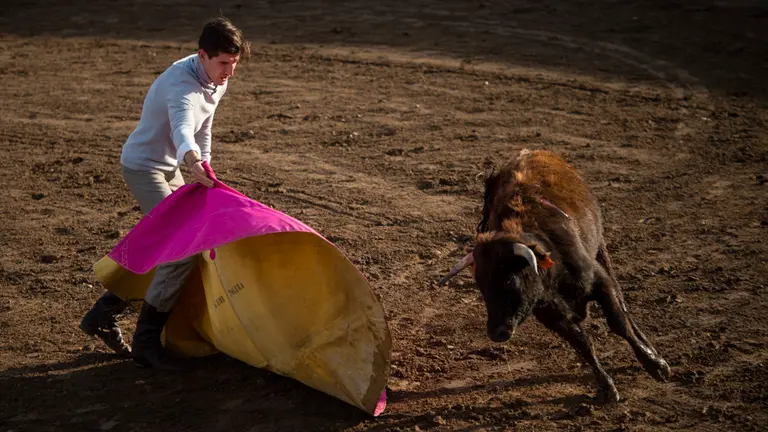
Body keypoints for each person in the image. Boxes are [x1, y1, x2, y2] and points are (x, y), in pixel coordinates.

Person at [79, 17, 250, 370]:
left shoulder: (215, 78)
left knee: (180, 242)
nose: (229, 73)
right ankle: (145, 344)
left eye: (234, 65)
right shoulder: (181, 87)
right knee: (180, 252)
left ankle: (103, 313)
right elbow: (184, 127)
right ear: (202, 55)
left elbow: (205, 126)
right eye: (223, 64)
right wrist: (192, 161)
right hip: (145, 168)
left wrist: (206, 162)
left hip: (172, 167)